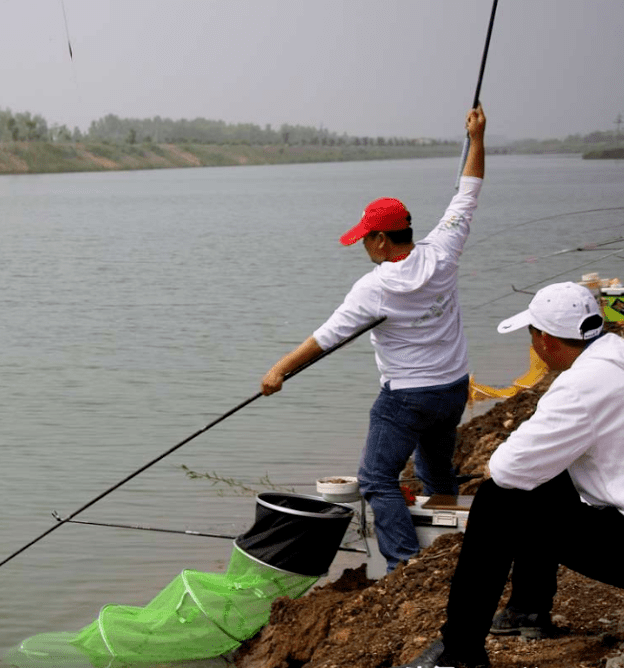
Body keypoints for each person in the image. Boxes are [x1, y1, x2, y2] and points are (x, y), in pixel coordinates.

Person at [261, 105, 486, 572]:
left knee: (377, 478)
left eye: (367, 238)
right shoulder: (444, 250)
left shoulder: (374, 287)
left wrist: (279, 371)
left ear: (383, 240)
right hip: (452, 388)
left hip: (406, 398)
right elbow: (468, 193)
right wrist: (478, 138)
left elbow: (325, 339)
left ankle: (405, 564)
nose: (364, 245)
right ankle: (451, 542)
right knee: (435, 471)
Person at [394, 282, 624, 668]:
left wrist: (500, 461)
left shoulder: (581, 386)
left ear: (546, 339)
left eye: (532, 335)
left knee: (499, 500)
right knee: (543, 479)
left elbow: (506, 469)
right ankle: (527, 609)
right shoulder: (616, 354)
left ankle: (460, 651)